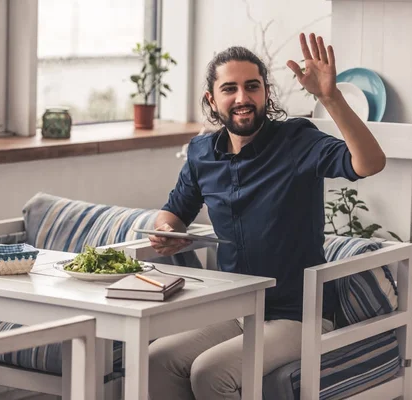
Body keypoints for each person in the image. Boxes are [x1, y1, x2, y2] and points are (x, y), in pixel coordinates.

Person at [147, 33, 386, 400]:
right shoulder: (201, 153)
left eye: (252, 87)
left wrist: (329, 97)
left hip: (296, 314)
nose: (242, 98)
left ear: (266, 94)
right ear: (212, 99)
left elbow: (369, 163)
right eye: (230, 89)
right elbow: (175, 212)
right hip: (233, 307)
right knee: (157, 357)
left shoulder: (297, 141)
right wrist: (166, 231)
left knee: (210, 372)